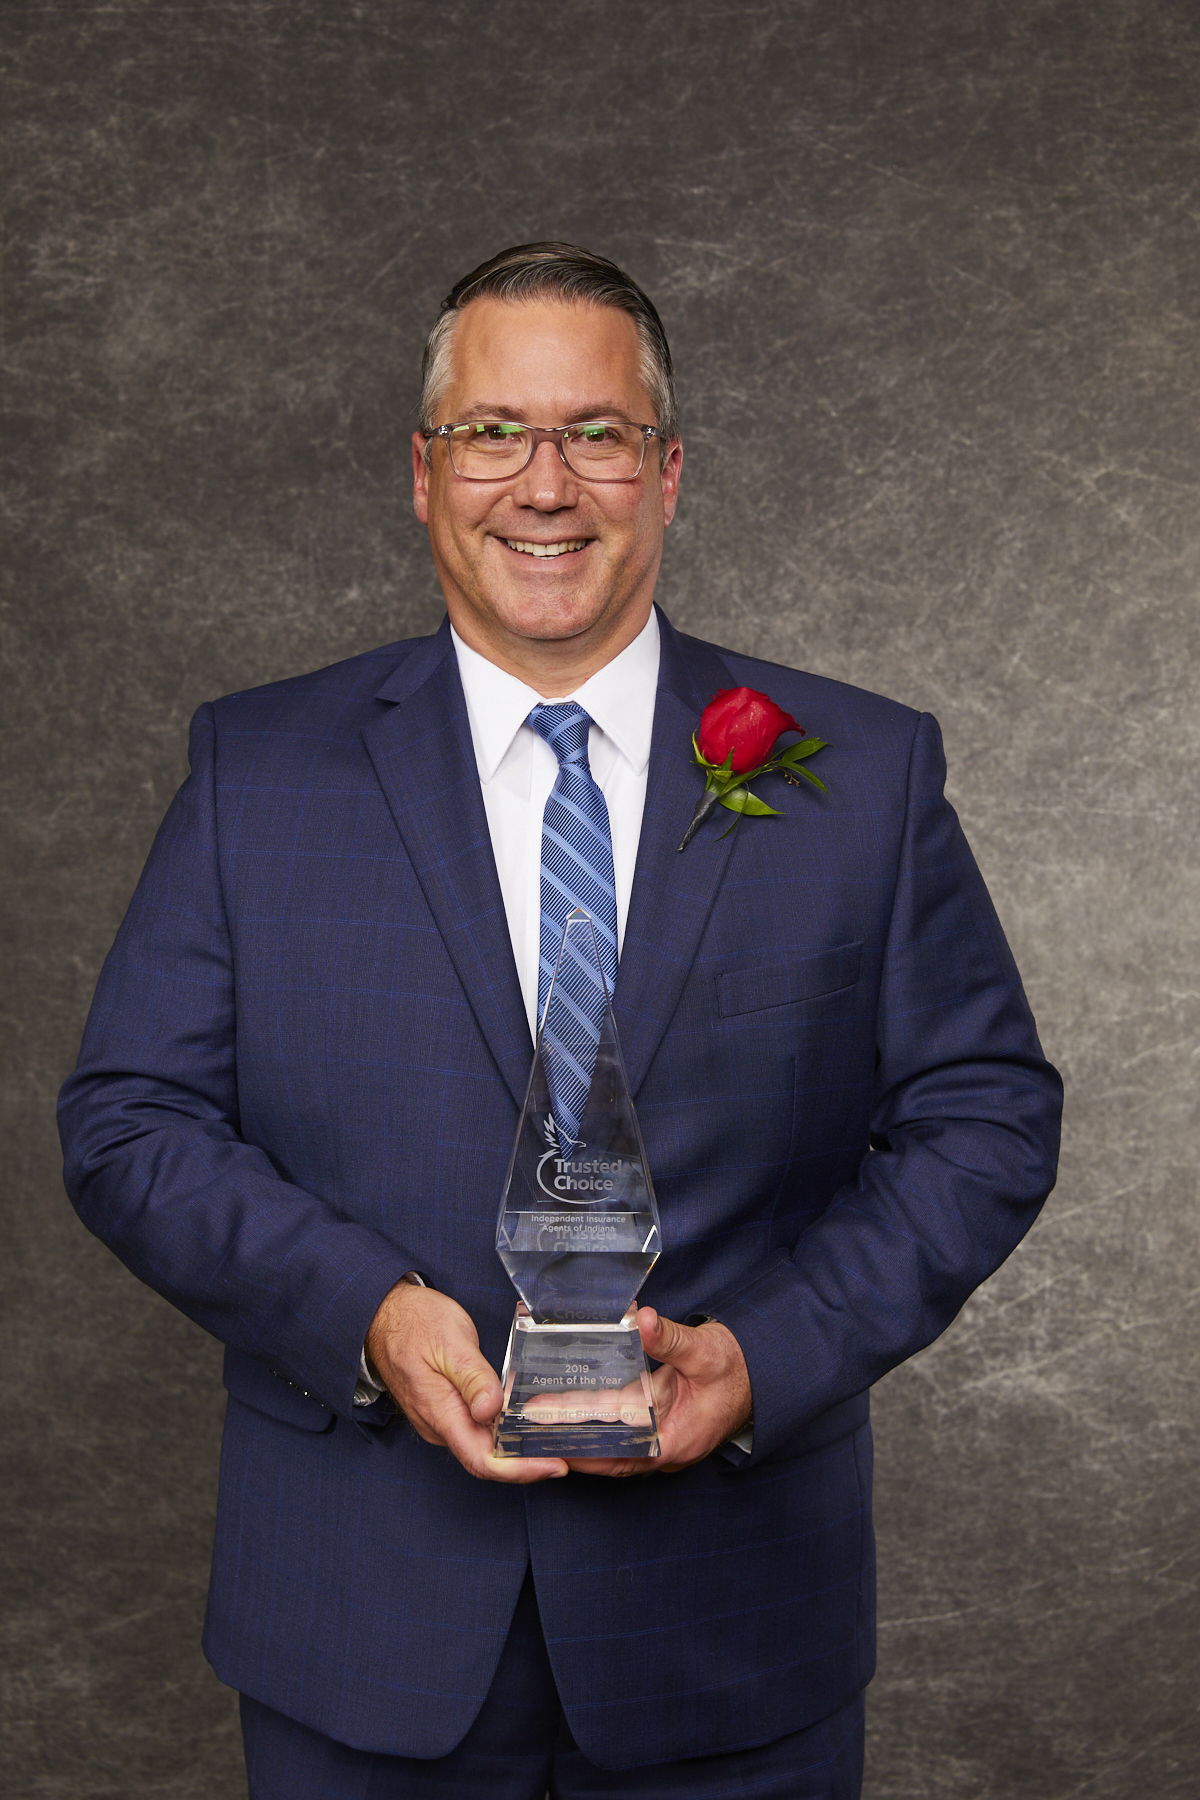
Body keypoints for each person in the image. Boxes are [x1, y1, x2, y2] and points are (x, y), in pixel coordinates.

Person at [58, 242, 1062, 1799]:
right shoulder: (258, 769)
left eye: (596, 432)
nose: (545, 484)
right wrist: (369, 1318)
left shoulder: (860, 773)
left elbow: (983, 1119)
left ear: (668, 473)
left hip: (734, 1631)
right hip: (359, 1625)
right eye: (492, 433)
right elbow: (132, 1125)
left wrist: (767, 1357)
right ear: (423, 473)